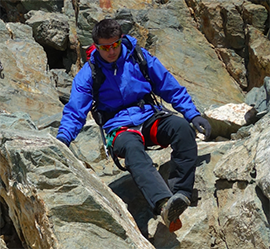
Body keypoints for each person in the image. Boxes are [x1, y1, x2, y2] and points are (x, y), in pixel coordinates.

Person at [57, 18, 211, 233]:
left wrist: (193, 115)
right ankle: (165, 204)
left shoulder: (139, 57)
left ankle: (181, 194)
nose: (111, 51)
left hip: (149, 117)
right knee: (132, 148)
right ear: (96, 46)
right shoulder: (88, 74)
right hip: (118, 127)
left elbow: (169, 87)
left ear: (121, 39)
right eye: (105, 47)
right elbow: (75, 110)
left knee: (181, 128)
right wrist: (63, 139)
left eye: (114, 45)